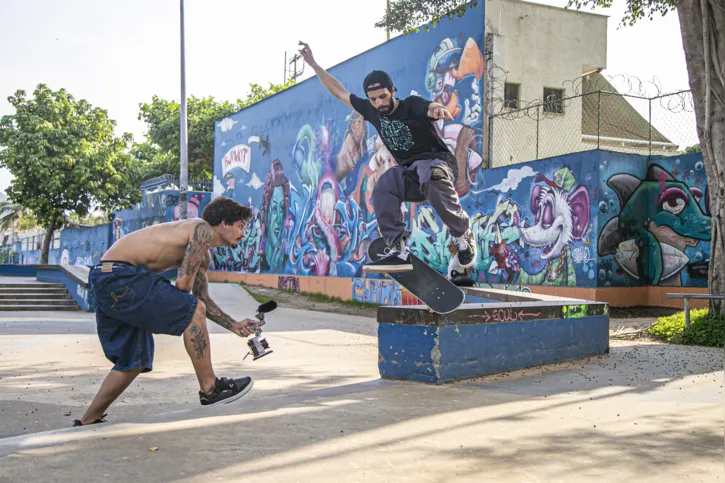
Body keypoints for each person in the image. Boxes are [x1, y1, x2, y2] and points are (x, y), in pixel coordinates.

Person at [73, 197, 258, 426]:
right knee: (192, 310)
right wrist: (190, 308)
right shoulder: (201, 229)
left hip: (109, 278)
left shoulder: (203, 253)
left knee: (134, 359)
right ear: (223, 223)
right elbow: (183, 287)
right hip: (118, 276)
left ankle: (89, 418)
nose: (243, 234)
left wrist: (234, 324)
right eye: (240, 226)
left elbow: (202, 300)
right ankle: (210, 388)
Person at [298, 41, 477, 273]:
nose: (379, 104)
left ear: (393, 91)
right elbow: (339, 91)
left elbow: (428, 107)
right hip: (412, 175)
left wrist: (436, 109)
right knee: (383, 185)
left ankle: (463, 234)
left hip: (438, 166)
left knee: (427, 171)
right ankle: (397, 248)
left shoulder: (410, 105)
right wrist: (313, 64)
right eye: (373, 100)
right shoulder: (371, 110)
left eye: (383, 97)